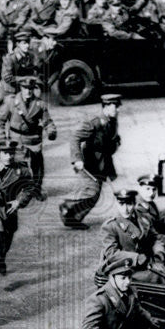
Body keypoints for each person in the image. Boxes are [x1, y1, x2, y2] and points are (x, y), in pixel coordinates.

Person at [59, 94, 122, 228]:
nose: (117, 109)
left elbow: (110, 138)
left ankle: (72, 217)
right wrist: (77, 159)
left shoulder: (112, 120)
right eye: (115, 106)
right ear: (106, 106)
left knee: (94, 195)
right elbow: (75, 138)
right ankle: (68, 207)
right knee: (91, 192)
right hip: (89, 162)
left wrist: (116, 141)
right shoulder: (93, 122)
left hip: (102, 162)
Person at [0, 140, 35, 285]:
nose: (9, 156)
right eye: (5, 153)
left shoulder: (21, 170)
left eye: (11, 153)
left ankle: (1, 259)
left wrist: (19, 202)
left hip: (8, 206)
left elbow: (29, 188)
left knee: (8, 234)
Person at [0, 76, 56, 199]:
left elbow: (47, 121)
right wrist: (2, 138)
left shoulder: (39, 104)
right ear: (20, 88)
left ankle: (36, 189)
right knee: (18, 165)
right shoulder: (11, 102)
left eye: (31, 88)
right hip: (16, 138)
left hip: (33, 139)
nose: (28, 92)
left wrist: (51, 131)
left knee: (37, 166)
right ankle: (17, 189)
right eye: (25, 88)